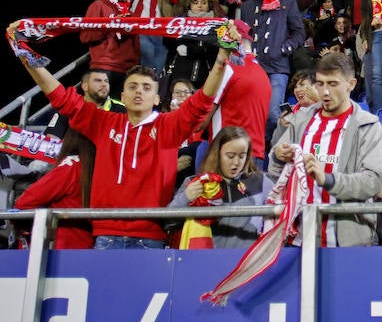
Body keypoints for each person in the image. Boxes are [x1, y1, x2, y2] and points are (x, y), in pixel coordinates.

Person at [8, 19, 240, 248]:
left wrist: (222, 58)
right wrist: (25, 56)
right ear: (123, 95)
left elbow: (201, 103)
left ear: (158, 99)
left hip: (150, 240)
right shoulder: (104, 123)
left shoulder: (168, 126)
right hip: (104, 238)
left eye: (147, 88)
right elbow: (60, 97)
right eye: (132, 87)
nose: (139, 92)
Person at [268, 52, 382, 247]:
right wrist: (278, 156)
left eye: (333, 84)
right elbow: (275, 172)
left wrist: (328, 180)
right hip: (299, 240)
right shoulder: (301, 119)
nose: (325, 92)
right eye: (320, 84)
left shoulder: (368, 126)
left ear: (351, 84)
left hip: (347, 242)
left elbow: (372, 182)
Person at [168, 126, 275, 248]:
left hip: (247, 263)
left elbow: (285, 210)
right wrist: (186, 197)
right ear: (217, 153)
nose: (236, 162)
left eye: (242, 156)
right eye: (230, 156)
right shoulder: (195, 182)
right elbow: (169, 222)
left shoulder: (261, 182)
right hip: (207, 262)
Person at [240, 0, 306, 147]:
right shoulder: (247, 5)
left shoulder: (288, 2)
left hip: (277, 66)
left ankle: (272, 157)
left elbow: (300, 32)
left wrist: (285, 48)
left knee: (273, 115)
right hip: (252, 67)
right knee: (251, 114)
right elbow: (244, 34)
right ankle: (256, 158)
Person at [14, 130, 96, 249]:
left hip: (61, 252)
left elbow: (24, 202)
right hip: (92, 248)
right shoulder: (104, 167)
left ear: (70, 140)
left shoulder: (71, 167)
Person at [206, 19, 272, 168]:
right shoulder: (263, 74)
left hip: (228, 155)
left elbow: (204, 113)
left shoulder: (227, 67)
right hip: (256, 156)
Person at [80, 0, 139, 98]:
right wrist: (111, 25)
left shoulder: (132, 15)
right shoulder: (99, 5)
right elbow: (85, 36)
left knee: (117, 114)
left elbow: (135, 46)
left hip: (125, 72)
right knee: (97, 110)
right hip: (102, 67)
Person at [163, 0, 227, 94]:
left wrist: (189, 50)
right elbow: (168, 42)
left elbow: (213, 49)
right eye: (195, 2)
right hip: (181, 73)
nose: (200, 6)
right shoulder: (181, 22)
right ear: (190, 5)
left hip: (205, 74)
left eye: (203, 2)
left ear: (209, 5)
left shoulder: (216, 25)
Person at [45, 69, 125, 140]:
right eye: (98, 80)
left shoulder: (123, 112)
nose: (104, 84)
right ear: (85, 86)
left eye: (106, 81)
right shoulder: (69, 108)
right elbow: (51, 140)